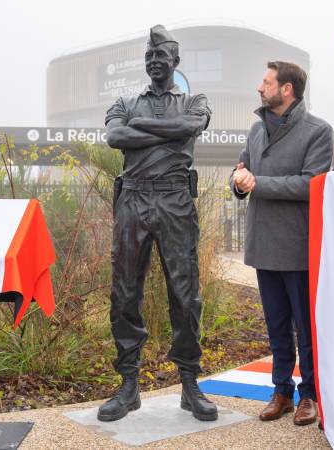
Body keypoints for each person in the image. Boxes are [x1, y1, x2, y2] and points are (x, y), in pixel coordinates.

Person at [98, 25, 215, 423]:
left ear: (175, 61)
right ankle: (128, 386)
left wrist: (140, 131)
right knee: (124, 291)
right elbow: (115, 137)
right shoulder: (125, 101)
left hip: (175, 199)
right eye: (148, 55)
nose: (153, 60)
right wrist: (159, 135)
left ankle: (189, 384)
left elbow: (188, 128)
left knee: (186, 293)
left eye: (160, 54)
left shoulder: (194, 100)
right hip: (132, 198)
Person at [230, 61, 333, 426]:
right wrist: (238, 180)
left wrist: (258, 183)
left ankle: (310, 395)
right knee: (275, 326)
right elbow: (242, 169)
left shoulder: (318, 131)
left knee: (305, 327)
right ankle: (281, 392)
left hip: (297, 246)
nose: (260, 87)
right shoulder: (257, 129)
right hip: (263, 245)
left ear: (286, 89)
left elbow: (312, 184)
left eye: (266, 81)